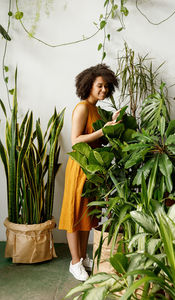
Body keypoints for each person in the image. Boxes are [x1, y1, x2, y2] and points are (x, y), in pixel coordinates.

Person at [59, 64, 120, 281]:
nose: (104, 90)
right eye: (100, 86)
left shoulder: (95, 109)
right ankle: (74, 262)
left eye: (107, 86)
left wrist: (112, 126)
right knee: (74, 214)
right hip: (80, 167)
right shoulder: (83, 107)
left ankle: (83, 257)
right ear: (89, 85)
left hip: (92, 168)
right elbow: (76, 141)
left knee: (87, 215)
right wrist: (103, 130)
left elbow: (96, 137)